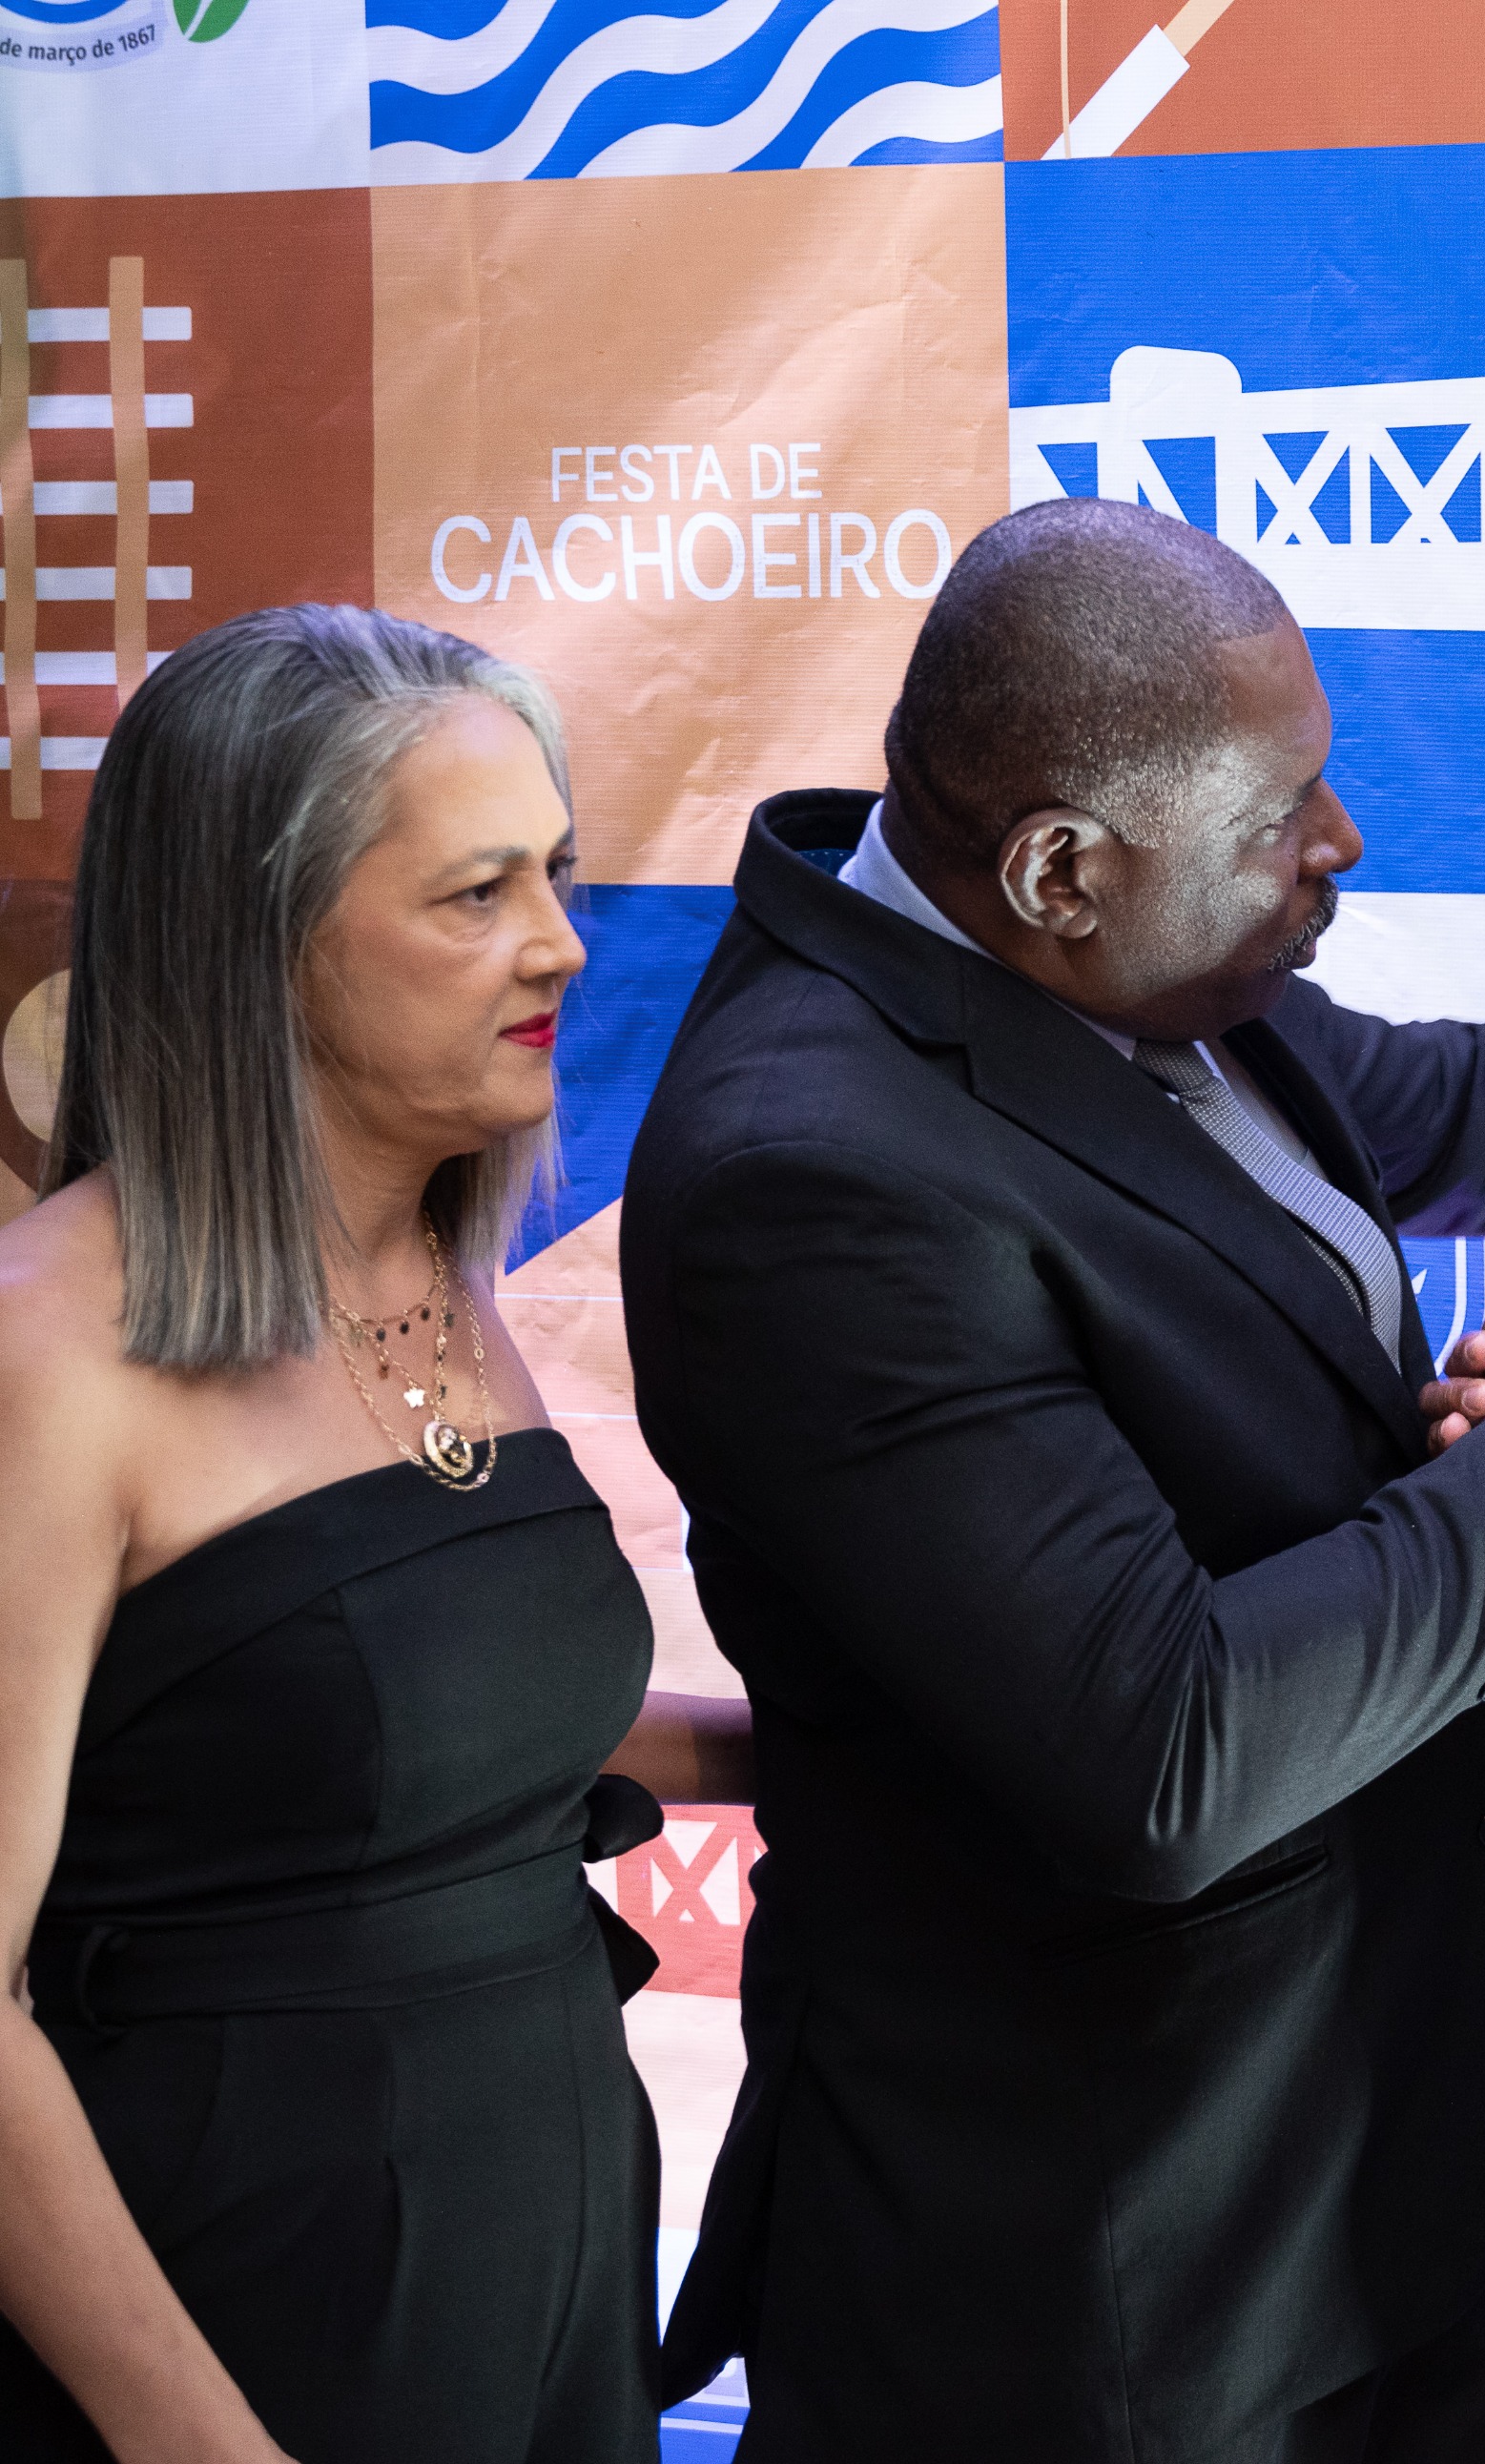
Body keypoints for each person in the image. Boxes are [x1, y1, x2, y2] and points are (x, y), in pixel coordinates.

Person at [621, 495, 1485, 2463]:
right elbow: (1154, 1746)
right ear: (1062, 868)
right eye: (1281, 814)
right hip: (1117, 2295)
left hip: (1387, 2181)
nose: (1342, 840)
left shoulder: (1133, 984)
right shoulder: (810, 1174)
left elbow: (1462, 1103)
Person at [0, 606, 751, 2461]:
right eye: (478, 892)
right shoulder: (44, 1356)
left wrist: (860, 1746)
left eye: (555, 872)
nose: (562, 941)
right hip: (248, 2339)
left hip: (549, 2312)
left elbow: (399, 1731)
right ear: (259, 939)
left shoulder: (434, 1270)